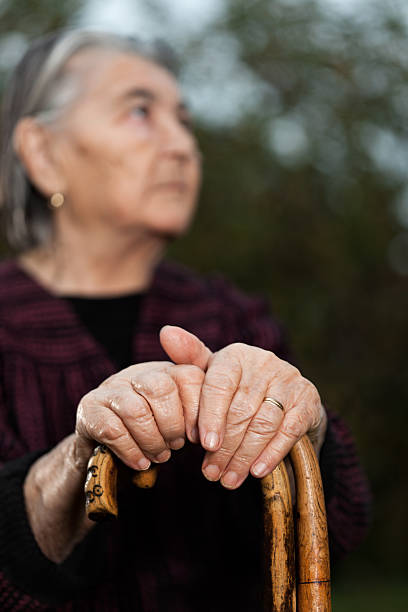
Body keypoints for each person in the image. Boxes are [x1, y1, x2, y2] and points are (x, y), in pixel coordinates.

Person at [0, 30, 370, 611]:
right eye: (141, 111)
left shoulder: (233, 315)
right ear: (43, 152)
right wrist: (77, 455)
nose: (181, 146)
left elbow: (333, 540)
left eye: (186, 122)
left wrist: (302, 423)